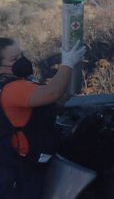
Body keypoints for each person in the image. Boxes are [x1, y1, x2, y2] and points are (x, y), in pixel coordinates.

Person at [0, 37, 85, 198]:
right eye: (14, 59)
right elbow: (52, 93)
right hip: (24, 168)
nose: (21, 61)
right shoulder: (13, 90)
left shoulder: (14, 84)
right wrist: (67, 63)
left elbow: (50, 100)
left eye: (21, 55)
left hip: (20, 163)